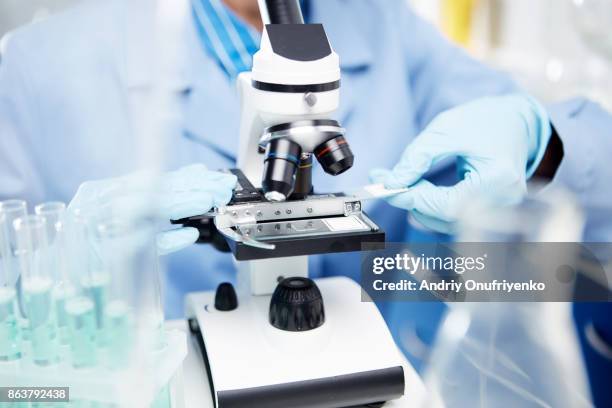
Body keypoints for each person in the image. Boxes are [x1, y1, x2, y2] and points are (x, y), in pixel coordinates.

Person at [0, 1, 610, 403]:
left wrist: (543, 142)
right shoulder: (34, 68)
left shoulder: (380, 23)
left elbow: (594, 184)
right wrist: (75, 252)